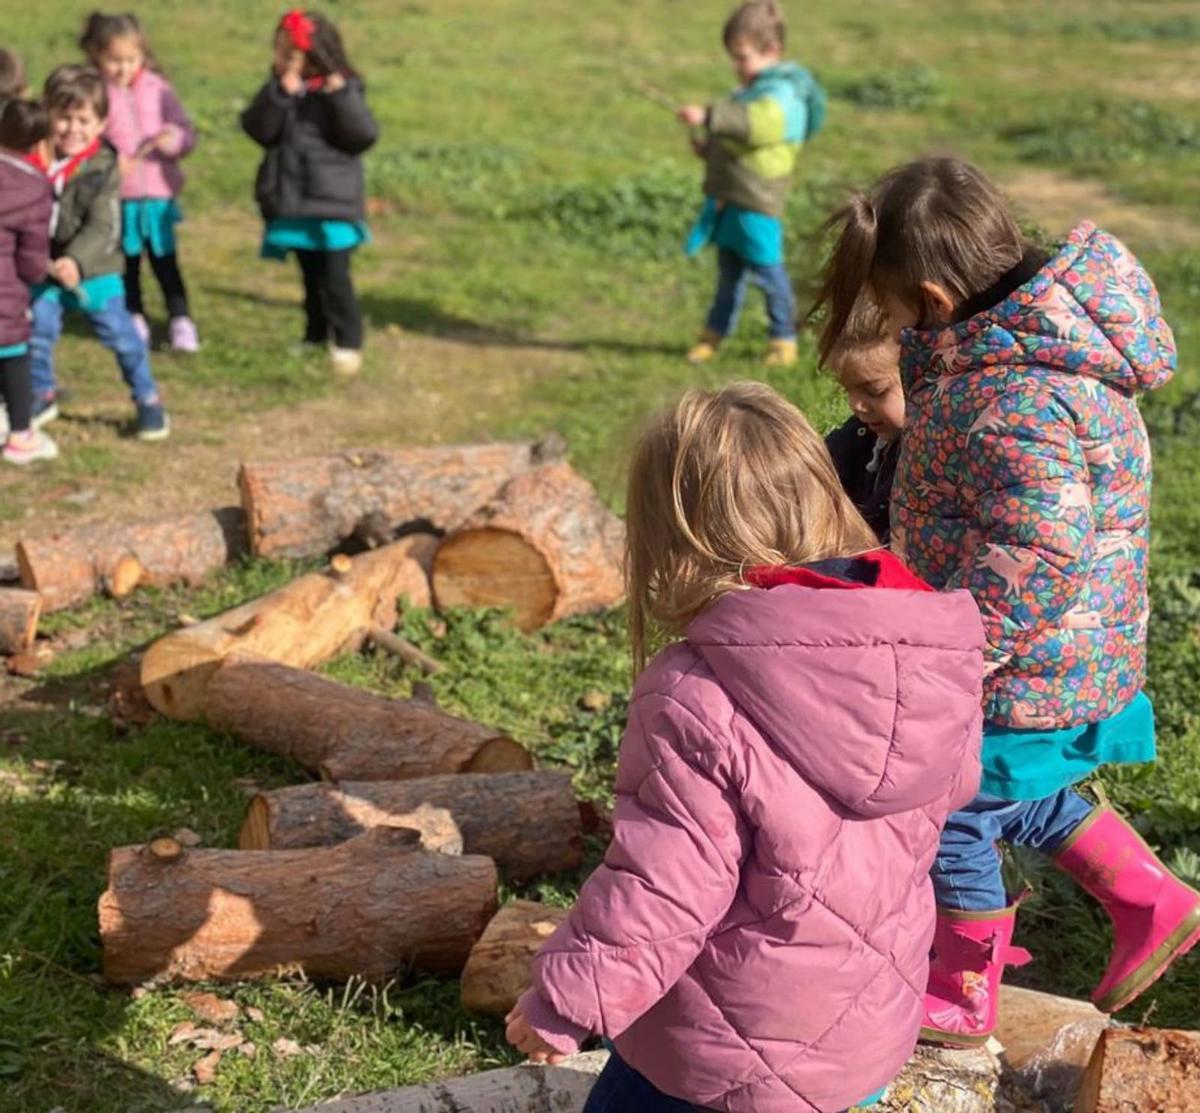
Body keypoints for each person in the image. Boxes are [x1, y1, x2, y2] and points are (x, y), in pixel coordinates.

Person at [505, 382, 986, 1112]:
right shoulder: (928, 651)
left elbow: (663, 885)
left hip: (726, 1051)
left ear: (676, 536)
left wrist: (566, 1000)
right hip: (865, 1034)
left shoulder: (697, 691)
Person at [815, 156, 1198, 1045]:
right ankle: (1152, 895)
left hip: (1016, 658)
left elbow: (1039, 549)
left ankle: (961, 989)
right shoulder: (1020, 354)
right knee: (1012, 790)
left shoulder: (1018, 390)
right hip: (1056, 651)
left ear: (937, 298)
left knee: (944, 804)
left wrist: (954, 645)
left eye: (900, 308)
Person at [678, 1, 825, 368]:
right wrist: (709, 149)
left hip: (756, 203)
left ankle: (783, 340)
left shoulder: (783, 96)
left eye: (742, 57)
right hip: (732, 199)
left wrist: (710, 115)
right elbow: (742, 141)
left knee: (768, 273)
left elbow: (759, 125)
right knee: (728, 275)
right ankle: (713, 335)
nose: (736, 66)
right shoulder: (758, 89)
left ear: (771, 51)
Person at [29, 65, 169, 440]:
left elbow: (103, 225)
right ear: (47, 114)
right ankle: (39, 392)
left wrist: (76, 260)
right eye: (64, 118)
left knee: (121, 336)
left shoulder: (103, 168)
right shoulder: (34, 159)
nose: (73, 128)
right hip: (44, 268)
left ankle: (148, 398)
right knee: (37, 328)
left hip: (96, 270)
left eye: (84, 120)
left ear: (102, 123)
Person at [241, 8, 377, 376]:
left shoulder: (343, 88)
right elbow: (257, 130)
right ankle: (314, 334)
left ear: (318, 55)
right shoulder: (280, 90)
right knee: (309, 276)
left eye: (293, 54)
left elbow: (361, 136)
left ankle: (348, 341)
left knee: (336, 278)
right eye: (280, 51)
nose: (284, 61)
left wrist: (341, 96)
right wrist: (278, 97)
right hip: (294, 202)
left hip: (332, 206)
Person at [81, 11, 200, 352]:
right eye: (115, 60)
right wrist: (106, 160)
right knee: (126, 265)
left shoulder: (158, 89)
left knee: (166, 262)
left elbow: (187, 132)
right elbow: (85, 141)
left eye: (132, 59)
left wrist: (173, 138)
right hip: (119, 198)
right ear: (97, 56)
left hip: (157, 197)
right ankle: (134, 317)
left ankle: (181, 319)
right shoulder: (96, 93)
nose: (124, 68)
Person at [0, 98, 56, 464]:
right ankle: (21, 436)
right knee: (13, 358)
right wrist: (39, 276)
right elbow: (32, 258)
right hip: (4, 293)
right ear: (40, 144)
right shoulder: (34, 188)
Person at [822, 301, 903, 542]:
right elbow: (819, 467)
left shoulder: (924, 458)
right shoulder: (861, 437)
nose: (856, 405)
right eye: (848, 390)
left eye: (875, 390)